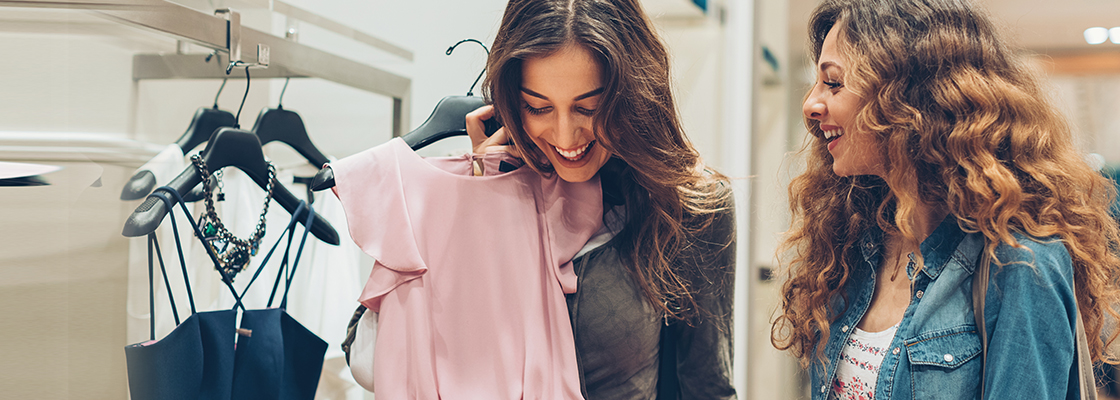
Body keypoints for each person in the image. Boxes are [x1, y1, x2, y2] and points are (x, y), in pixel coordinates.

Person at [771, 0, 1120, 399]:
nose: (811, 104)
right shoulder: (855, 240)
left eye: (833, 83)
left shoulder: (1020, 261)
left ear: (909, 98)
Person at [464, 0, 737, 398]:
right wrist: (483, 196)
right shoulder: (482, 184)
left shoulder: (690, 208)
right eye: (537, 107)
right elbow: (377, 344)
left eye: (589, 107)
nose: (565, 136)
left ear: (633, 93)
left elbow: (708, 386)